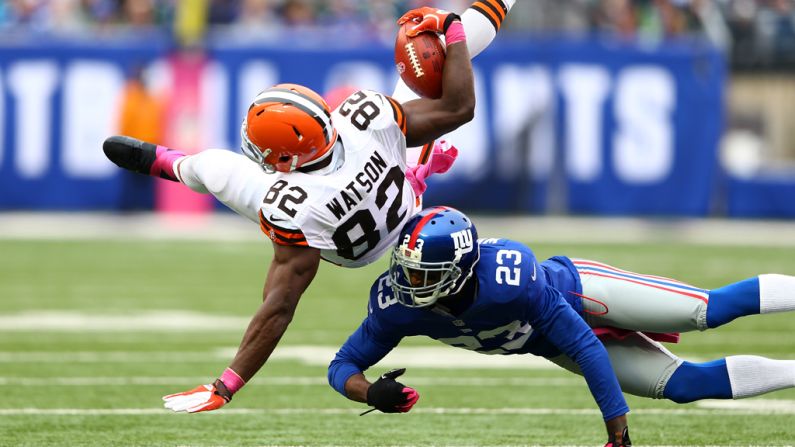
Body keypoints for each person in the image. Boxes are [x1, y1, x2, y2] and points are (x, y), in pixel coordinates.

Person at [102, 1, 517, 413]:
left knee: (216, 168)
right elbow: (459, 107)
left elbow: (278, 307)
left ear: (286, 161)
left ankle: (171, 162)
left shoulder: (296, 206)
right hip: (400, 187)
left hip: (351, 234)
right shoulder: (365, 120)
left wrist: (227, 383)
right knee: (435, 56)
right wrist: (453, 30)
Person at [328, 206, 795, 447]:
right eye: (407, 269)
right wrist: (369, 393)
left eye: (423, 274)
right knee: (683, 386)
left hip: (582, 291)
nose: (409, 283)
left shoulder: (507, 279)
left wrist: (617, 430)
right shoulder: (398, 305)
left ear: (461, 269)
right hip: (548, 343)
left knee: (706, 310)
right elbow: (341, 365)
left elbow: (586, 345)